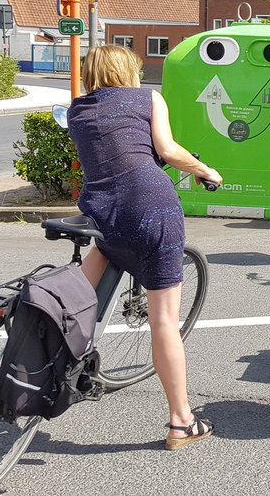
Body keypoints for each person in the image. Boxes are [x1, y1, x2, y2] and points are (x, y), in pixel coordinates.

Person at [67, 45, 223, 449]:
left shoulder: (77, 110)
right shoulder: (148, 98)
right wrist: (207, 170)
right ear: (127, 71)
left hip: (101, 212)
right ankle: (180, 422)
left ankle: (54, 354)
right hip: (150, 207)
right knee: (164, 322)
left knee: (82, 289)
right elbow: (167, 151)